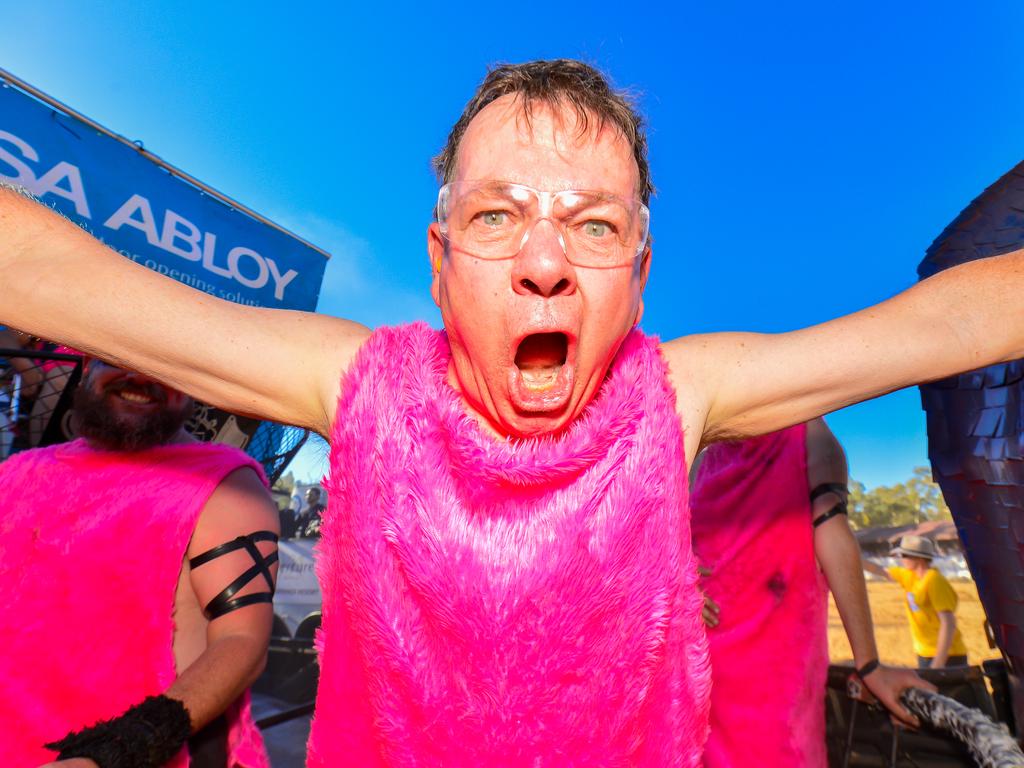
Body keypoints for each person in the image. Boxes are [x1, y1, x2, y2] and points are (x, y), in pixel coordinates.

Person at [2, 59, 1023, 764]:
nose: (543, 263)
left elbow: (945, 320)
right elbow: (49, 269)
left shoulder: (677, 397)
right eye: (496, 216)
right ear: (439, 266)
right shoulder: (355, 386)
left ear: (640, 273)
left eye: (592, 224)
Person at [0, 359, 279, 767]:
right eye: (119, 358)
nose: (141, 377)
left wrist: (114, 752)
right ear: (86, 363)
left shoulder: (225, 482)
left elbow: (242, 643)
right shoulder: (18, 472)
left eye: (165, 365)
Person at [690, 419, 929, 767]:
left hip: (774, 663)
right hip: (698, 665)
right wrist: (682, 581)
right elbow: (677, 542)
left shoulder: (808, 432)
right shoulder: (702, 455)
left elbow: (832, 533)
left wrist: (869, 663)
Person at [864, 535, 969, 669]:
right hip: (925, 653)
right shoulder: (910, 576)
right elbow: (879, 570)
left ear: (918, 558)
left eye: (903, 555)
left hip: (947, 656)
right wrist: (850, 554)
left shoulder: (935, 581)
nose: (900, 559)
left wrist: (939, 662)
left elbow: (948, 623)